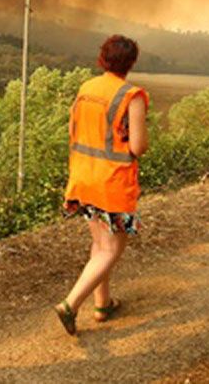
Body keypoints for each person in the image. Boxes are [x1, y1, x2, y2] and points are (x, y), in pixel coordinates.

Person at [54, 35, 149, 336]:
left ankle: (103, 305)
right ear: (131, 63)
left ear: (102, 59)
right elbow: (138, 145)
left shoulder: (86, 89)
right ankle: (70, 305)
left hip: (83, 177)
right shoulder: (131, 96)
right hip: (112, 182)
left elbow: (72, 129)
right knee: (111, 249)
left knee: (99, 243)